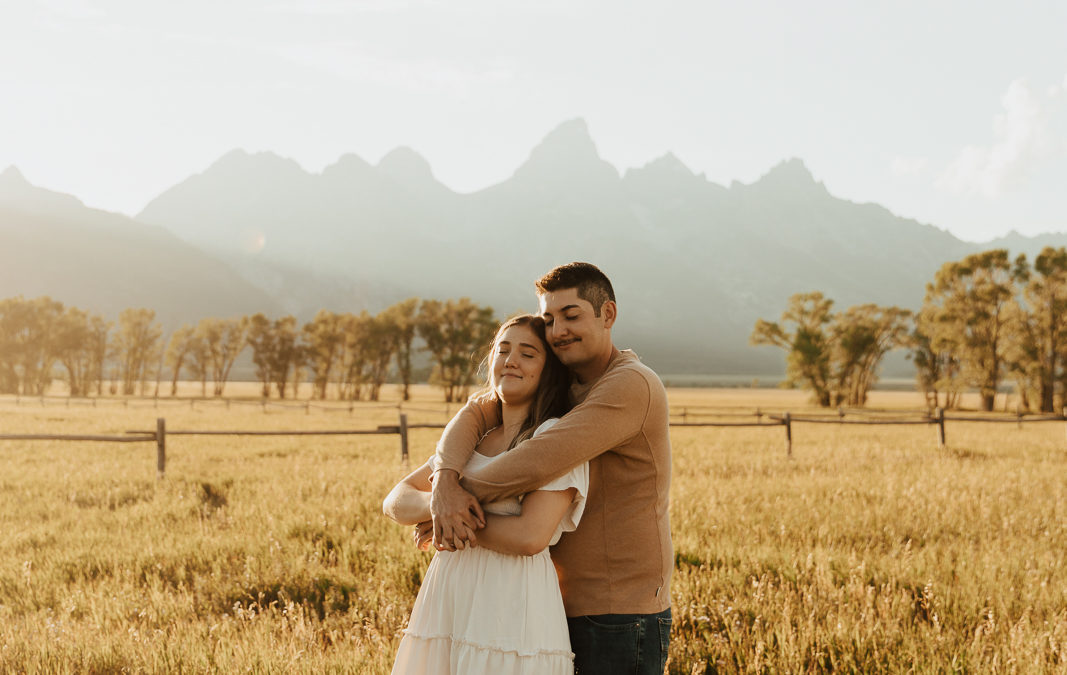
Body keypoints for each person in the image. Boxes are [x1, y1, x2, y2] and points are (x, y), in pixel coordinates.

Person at [429, 262, 673, 675]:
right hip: (555, 603)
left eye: (571, 315)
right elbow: (476, 410)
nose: (558, 329)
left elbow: (536, 461)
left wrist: (452, 501)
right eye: (549, 319)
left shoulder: (630, 384)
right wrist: (442, 483)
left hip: (618, 612)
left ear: (608, 315)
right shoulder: (562, 387)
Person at [382, 314, 589, 674]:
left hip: (510, 602)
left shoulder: (553, 436)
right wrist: (438, 507)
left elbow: (530, 536)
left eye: (528, 354)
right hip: (450, 596)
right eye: (503, 350)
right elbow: (396, 500)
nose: (510, 360)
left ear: (550, 370)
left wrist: (456, 521)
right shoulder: (473, 437)